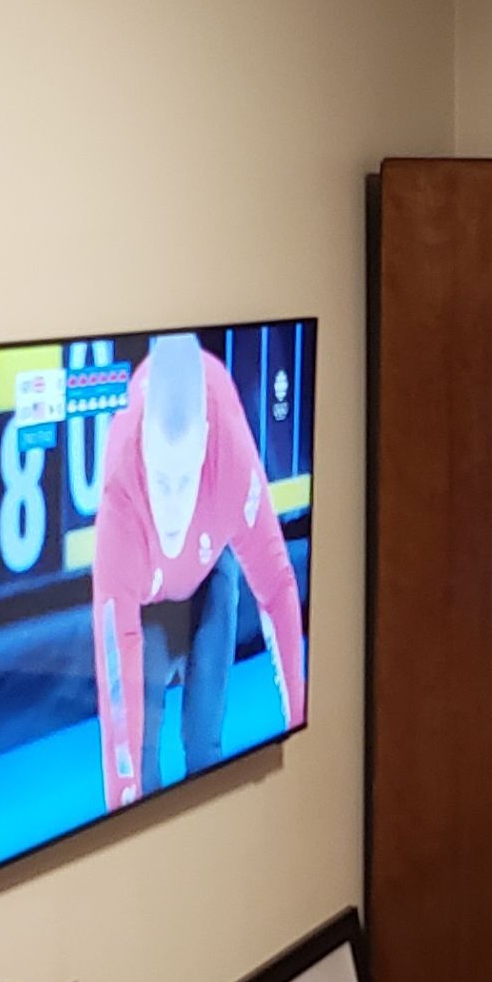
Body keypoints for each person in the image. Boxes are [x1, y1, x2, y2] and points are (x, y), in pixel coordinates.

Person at [86, 332, 307, 810]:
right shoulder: (121, 500)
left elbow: (278, 587)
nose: (170, 508)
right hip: (146, 602)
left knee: (206, 749)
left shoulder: (232, 458)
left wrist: (300, 724)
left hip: (209, 579)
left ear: (205, 443)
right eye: (161, 480)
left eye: (184, 480)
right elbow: (116, 694)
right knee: (140, 773)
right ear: (143, 444)